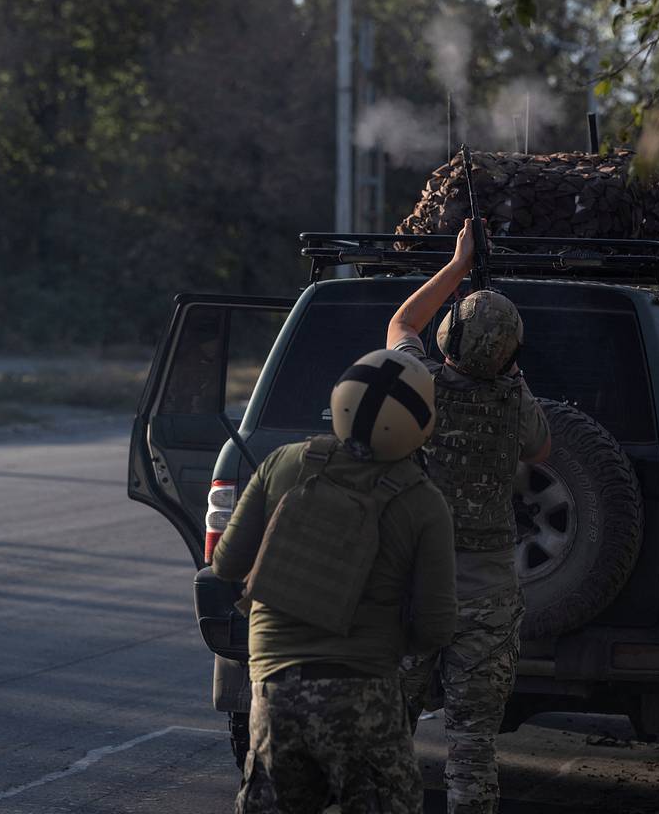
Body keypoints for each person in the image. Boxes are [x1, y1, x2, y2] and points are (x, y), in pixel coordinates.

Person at [211, 348, 456, 814]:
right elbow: (436, 626)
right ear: (422, 424)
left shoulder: (283, 462)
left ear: (339, 399)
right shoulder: (423, 502)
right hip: (364, 692)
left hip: (275, 688)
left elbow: (224, 564)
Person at [387, 219, 552, 814]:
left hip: (414, 588)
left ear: (450, 337)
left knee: (387, 736)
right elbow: (541, 448)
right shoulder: (516, 403)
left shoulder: (421, 383)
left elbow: (404, 324)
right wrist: (511, 377)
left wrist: (456, 267)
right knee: (473, 745)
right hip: (488, 596)